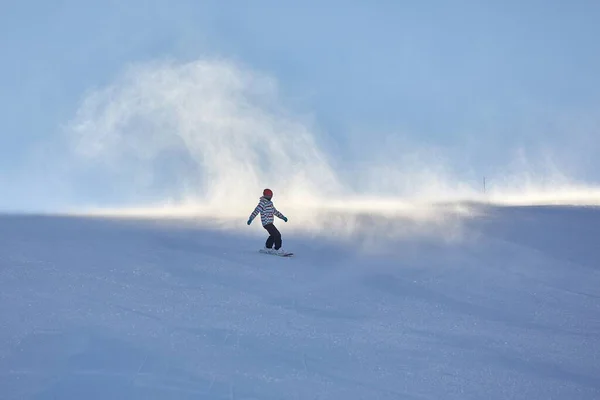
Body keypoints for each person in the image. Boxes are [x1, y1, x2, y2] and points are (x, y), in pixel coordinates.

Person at [247, 188, 288, 254]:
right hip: (266, 223)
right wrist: (251, 219)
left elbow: (275, 212)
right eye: (268, 196)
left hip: (270, 222)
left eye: (271, 196)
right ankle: (277, 249)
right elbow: (256, 211)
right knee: (277, 235)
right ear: (265, 196)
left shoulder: (270, 204)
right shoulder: (262, 203)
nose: (270, 197)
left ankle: (268, 248)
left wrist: (283, 217)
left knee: (273, 235)